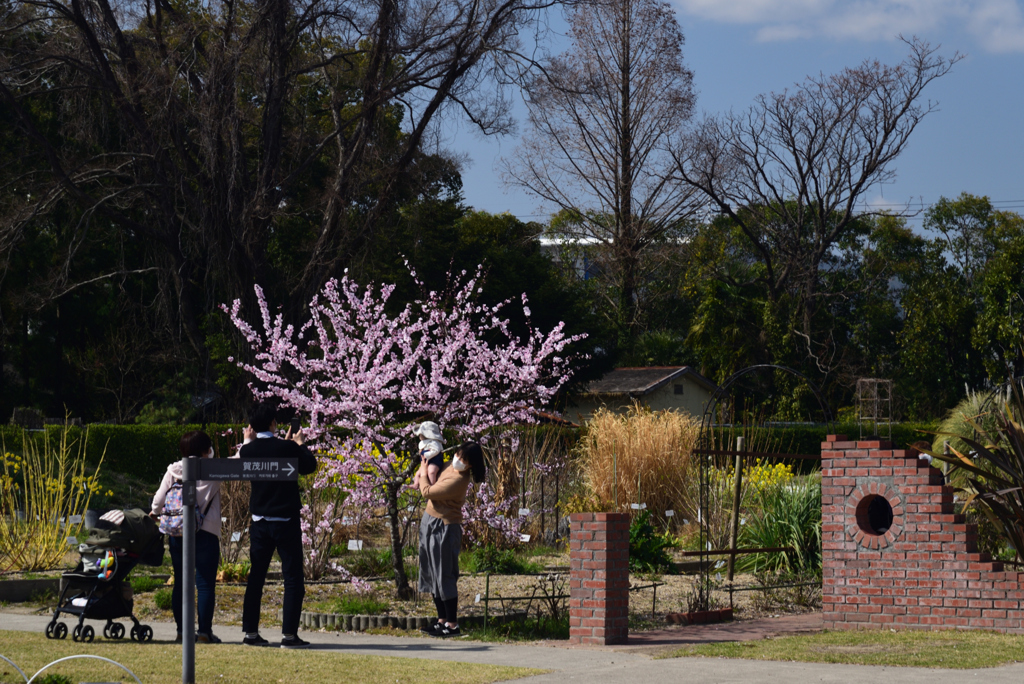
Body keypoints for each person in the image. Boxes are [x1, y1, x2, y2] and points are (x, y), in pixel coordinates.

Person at [239, 401, 318, 648]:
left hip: (260, 522)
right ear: (274, 423)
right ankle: (289, 635)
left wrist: (248, 441)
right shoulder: (287, 447)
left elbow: (255, 451)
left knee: (256, 578)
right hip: (285, 521)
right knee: (292, 577)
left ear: (252, 426)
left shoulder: (247, 451)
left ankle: (251, 633)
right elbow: (310, 466)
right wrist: (299, 443)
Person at [151, 430, 222, 644]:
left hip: (177, 532)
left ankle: (182, 632)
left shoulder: (173, 471)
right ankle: (204, 633)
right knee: (205, 584)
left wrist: (156, 513)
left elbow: (157, 503)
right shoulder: (213, 470)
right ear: (206, 450)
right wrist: (246, 440)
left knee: (181, 583)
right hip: (206, 533)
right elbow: (238, 459)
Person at [417, 441, 486, 638]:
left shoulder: (459, 480)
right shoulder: (449, 465)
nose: (458, 459)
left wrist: (423, 471)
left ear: (470, 464)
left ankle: (452, 624)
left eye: (463, 459)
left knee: (444, 573)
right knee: (432, 572)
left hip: (445, 526)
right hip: (430, 521)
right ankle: (442, 621)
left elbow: (427, 492)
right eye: (458, 454)